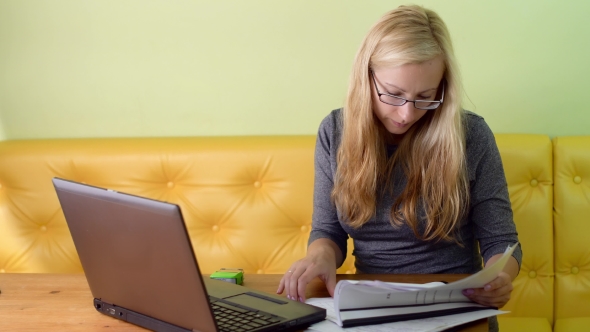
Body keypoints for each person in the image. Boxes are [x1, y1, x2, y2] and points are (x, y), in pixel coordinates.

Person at [276, 4, 522, 331]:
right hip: (370, 309)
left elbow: (501, 242)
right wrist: (319, 256)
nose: (407, 114)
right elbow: (328, 232)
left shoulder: (471, 136)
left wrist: (499, 278)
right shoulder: (334, 132)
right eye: (393, 94)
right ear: (366, 78)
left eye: (425, 97)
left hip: (455, 309)